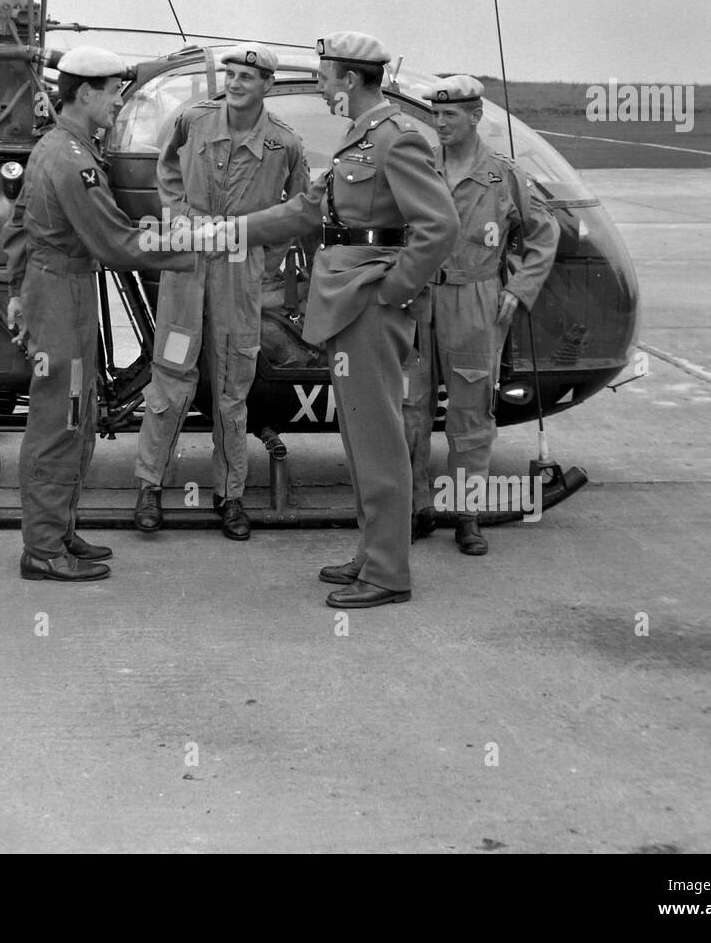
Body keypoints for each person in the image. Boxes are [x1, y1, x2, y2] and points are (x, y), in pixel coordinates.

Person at [238, 32, 458, 609]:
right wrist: (233, 230)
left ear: (353, 80)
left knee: (379, 438)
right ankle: (371, 552)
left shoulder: (397, 140)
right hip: (344, 300)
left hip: (368, 305)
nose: (319, 83)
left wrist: (394, 291)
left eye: (326, 75)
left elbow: (439, 227)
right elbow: (309, 212)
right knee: (360, 437)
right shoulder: (356, 141)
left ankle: (389, 572)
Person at [3, 47, 200, 582]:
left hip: (59, 289)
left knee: (78, 413)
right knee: (59, 420)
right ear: (86, 92)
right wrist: (193, 247)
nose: (118, 101)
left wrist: (19, 290)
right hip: (62, 294)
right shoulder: (71, 159)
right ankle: (43, 549)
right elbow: (115, 242)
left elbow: (18, 224)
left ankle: (59, 529)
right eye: (114, 91)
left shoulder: (59, 146)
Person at [132, 44, 310, 539]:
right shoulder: (194, 120)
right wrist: (182, 219)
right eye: (231, 74)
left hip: (239, 274)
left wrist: (260, 263)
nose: (235, 82)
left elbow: (296, 212)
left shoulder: (285, 144)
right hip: (186, 268)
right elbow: (166, 171)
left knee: (233, 387)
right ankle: (149, 487)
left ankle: (229, 496)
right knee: (170, 378)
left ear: (267, 85)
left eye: (247, 77)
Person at [414, 74, 558, 555]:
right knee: (410, 407)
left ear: (476, 117)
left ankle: (467, 513)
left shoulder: (503, 174)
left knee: (471, 411)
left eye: (450, 115)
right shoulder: (419, 168)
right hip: (418, 299)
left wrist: (520, 287)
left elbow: (543, 232)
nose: (440, 123)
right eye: (435, 114)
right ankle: (415, 505)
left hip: (476, 301)